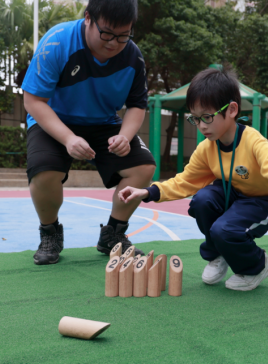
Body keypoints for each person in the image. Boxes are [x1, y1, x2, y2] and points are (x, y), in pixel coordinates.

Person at [119, 67, 268, 291]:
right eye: (195, 118)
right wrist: (147, 191)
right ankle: (217, 255)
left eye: (207, 117)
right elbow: (185, 181)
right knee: (202, 200)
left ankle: (256, 266)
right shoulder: (206, 148)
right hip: (235, 195)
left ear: (232, 109)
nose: (202, 125)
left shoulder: (253, 141)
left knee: (224, 230)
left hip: (262, 202)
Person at [21, 0, 155, 265]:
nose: (114, 43)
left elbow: (137, 106)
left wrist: (125, 136)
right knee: (44, 172)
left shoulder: (133, 57)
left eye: (123, 35)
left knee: (143, 168)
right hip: (54, 120)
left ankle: (113, 235)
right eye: (106, 33)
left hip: (104, 122)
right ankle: (50, 233)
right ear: (88, 19)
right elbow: (33, 100)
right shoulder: (57, 43)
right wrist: (68, 138)